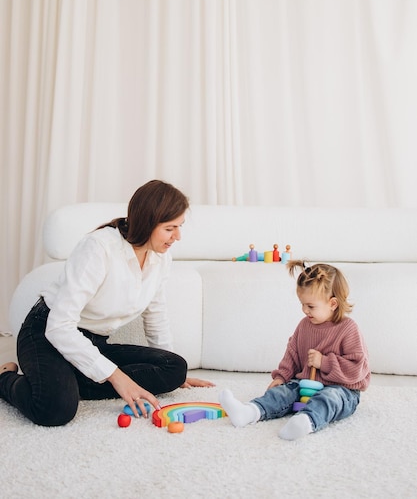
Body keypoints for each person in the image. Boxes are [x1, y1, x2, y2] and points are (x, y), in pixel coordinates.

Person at [0, 180, 214, 426]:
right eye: (170, 228)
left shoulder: (160, 258)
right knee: (55, 409)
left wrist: (176, 376)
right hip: (46, 334)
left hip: (92, 341)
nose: (177, 236)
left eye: (180, 227)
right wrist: (116, 377)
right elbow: (59, 327)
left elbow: (155, 315)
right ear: (147, 222)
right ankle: (6, 378)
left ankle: (70, 377)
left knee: (175, 367)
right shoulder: (99, 248)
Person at [219, 260, 370, 440]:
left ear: (333, 304)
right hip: (306, 384)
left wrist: (324, 362)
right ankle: (249, 412)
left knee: (329, 398)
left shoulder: (348, 329)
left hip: (342, 389)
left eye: (311, 306)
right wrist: (281, 377)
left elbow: (357, 368)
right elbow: (292, 354)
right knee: (283, 392)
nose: (305, 310)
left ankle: (306, 421)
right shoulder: (305, 325)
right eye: (302, 304)